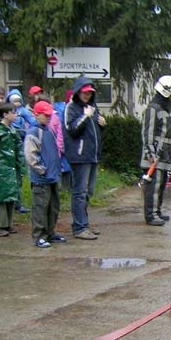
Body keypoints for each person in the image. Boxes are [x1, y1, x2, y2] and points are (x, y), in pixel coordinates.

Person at [64, 76, 106, 240]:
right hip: (79, 157)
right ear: (78, 92)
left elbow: (93, 132)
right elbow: (72, 129)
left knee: (88, 192)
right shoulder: (71, 107)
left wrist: (102, 124)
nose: (87, 95)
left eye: (90, 93)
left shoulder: (93, 107)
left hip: (92, 156)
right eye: (85, 92)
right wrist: (86, 116)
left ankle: (84, 224)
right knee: (79, 192)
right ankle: (79, 227)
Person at [140, 75, 171, 225]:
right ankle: (150, 215)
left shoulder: (166, 109)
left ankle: (157, 211)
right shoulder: (153, 109)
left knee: (161, 184)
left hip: (165, 154)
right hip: (155, 155)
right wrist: (150, 153)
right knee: (154, 186)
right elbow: (147, 133)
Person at [24, 101, 65, 248]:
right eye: (45, 115)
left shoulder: (48, 130)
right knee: (40, 208)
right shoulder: (33, 132)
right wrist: (42, 170)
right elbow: (30, 155)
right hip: (41, 179)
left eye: (49, 115)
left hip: (52, 176)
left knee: (53, 207)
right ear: (36, 115)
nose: (48, 118)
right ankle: (39, 236)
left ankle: (50, 233)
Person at [0, 103, 25, 237]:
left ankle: (8, 223)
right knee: (0, 197)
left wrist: (21, 167)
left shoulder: (12, 130)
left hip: (11, 168)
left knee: (10, 195)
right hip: (1, 168)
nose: (16, 115)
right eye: (13, 112)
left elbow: (18, 149)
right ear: (5, 114)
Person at [6, 89, 34, 213]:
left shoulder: (23, 111)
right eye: (14, 101)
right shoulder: (6, 112)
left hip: (21, 141)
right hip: (10, 144)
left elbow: (32, 120)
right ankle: (10, 202)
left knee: (19, 175)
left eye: (18, 101)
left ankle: (18, 203)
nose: (16, 103)